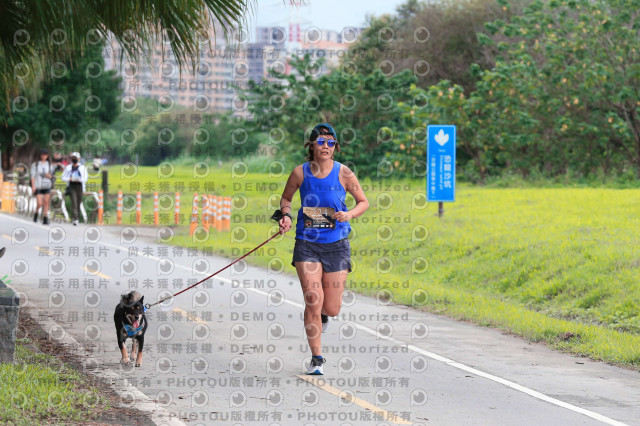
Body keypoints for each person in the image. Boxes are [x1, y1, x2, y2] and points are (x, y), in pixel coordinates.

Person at [275, 123, 369, 375]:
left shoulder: (344, 173)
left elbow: (363, 202)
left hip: (337, 245)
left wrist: (349, 214)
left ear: (335, 147)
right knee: (313, 300)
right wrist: (286, 216)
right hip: (307, 243)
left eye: (330, 142)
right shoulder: (300, 173)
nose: (326, 146)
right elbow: (286, 199)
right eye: (321, 142)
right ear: (312, 145)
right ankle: (317, 358)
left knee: (332, 308)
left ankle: (324, 316)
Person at [61, 152, 88, 226]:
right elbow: (63, 177)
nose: (74, 159)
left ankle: (76, 218)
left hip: (79, 187)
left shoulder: (82, 168)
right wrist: (70, 179)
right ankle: (75, 219)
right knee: (74, 202)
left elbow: (85, 178)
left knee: (78, 203)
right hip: (71, 187)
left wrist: (78, 179)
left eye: (76, 158)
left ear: (79, 159)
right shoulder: (68, 167)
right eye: (73, 158)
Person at [30, 149, 54, 225]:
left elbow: (52, 175)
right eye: (42, 154)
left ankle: (45, 218)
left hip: (47, 185)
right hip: (38, 186)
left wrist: (49, 175)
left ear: (47, 156)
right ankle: (36, 213)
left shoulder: (49, 165)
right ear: (40, 155)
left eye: (45, 154)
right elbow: (32, 176)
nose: (44, 156)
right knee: (40, 203)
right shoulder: (36, 164)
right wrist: (33, 186)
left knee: (46, 202)